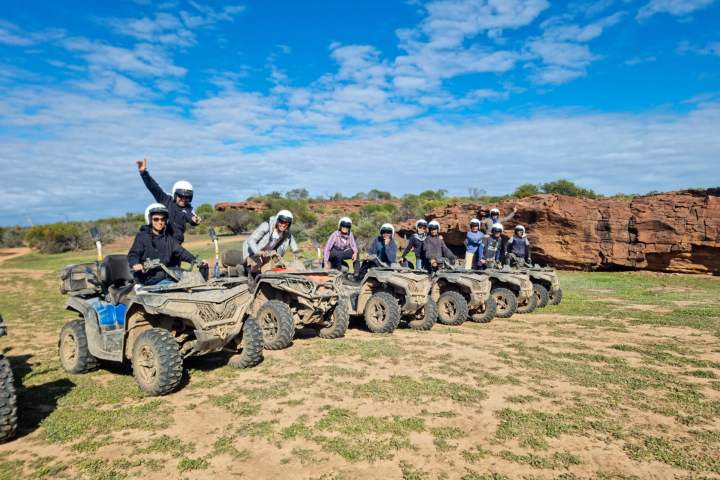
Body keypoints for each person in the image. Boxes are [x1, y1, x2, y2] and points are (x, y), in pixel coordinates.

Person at [128, 203, 201, 285]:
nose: (160, 222)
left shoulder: (168, 239)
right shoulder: (142, 237)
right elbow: (134, 254)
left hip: (165, 276)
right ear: (150, 220)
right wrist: (135, 263)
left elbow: (182, 253)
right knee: (176, 287)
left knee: (190, 282)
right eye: (156, 219)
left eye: (163, 219)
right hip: (147, 278)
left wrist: (196, 261)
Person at [136, 159, 201, 244]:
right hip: (160, 240)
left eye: (187, 197)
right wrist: (144, 173)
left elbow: (192, 217)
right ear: (175, 194)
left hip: (175, 244)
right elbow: (154, 187)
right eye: (181, 196)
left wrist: (195, 220)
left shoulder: (188, 209)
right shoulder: (166, 199)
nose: (184, 199)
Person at [242, 210, 299, 274]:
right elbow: (251, 240)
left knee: (279, 264)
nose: (283, 224)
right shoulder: (266, 226)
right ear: (277, 220)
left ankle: (268, 277)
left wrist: (295, 251)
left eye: (286, 223)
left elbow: (291, 239)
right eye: (281, 221)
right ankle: (249, 274)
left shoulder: (286, 232)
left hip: (268, 252)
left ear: (289, 224)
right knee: (258, 263)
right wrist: (257, 252)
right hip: (253, 250)